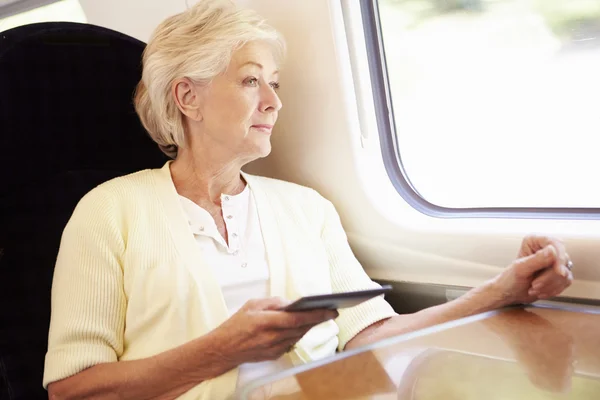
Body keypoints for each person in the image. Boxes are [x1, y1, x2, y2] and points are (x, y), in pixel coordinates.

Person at [43, 1, 573, 399]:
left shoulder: (305, 207)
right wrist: (221, 350)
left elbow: (370, 335)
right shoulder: (108, 212)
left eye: (274, 83)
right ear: (187, 97)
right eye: (251, 81)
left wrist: (502, 289)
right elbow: (71, 390)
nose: (274, 102)